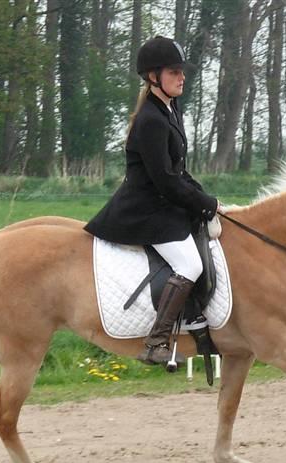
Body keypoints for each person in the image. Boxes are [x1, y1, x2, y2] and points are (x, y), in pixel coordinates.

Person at [84, 36, 220, 365]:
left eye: (182, 71)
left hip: (163, 203)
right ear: (153, 76)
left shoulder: (170, 111)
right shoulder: (151, 120)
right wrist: (203, 204)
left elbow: (179, 172)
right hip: (145, 210)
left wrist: (208, 200)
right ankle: (157, 341)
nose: (182, 77)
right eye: (174, 72)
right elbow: (166, 181)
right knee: (190, 264)